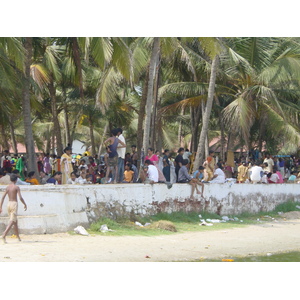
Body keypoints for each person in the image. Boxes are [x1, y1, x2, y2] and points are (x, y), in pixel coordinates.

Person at [0, 174, 27, 243]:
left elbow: (3, 197)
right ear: (16, 180)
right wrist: (24, 204)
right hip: (14, 204)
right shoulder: (16, 187)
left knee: (15, 221)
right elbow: (20, 197)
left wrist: (0, 207)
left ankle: (18, 237)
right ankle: (4, 234)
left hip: (9, 204)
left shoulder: (8, 187)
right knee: (12, 220)